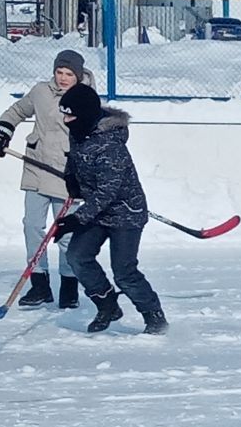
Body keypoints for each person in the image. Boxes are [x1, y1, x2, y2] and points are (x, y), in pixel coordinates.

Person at [0, 49, 96, 309]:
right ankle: (40, 285)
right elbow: (16, 111)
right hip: (36, 169)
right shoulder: (41, 92)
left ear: (78, 75)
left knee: (65, 235)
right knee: (32, 226)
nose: (63, 78)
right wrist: (1, 132)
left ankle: (69, 288)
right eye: (59, 72)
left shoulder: (86, 98)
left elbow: (95, 135)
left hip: (67, 175)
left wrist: (86, 172)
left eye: (69, 74)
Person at [53, 83, 168, 336]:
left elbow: (107, 192)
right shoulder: (79, 131)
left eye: (69, 114)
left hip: (126, 213)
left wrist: (76, 219)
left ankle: (154, 316)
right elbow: (75, 158)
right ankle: (107, 305)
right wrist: (71, 178)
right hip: (98, 212)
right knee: (77, 257)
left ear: (83, 114)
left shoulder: (110, 146)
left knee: (124, 272)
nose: (65, 119)